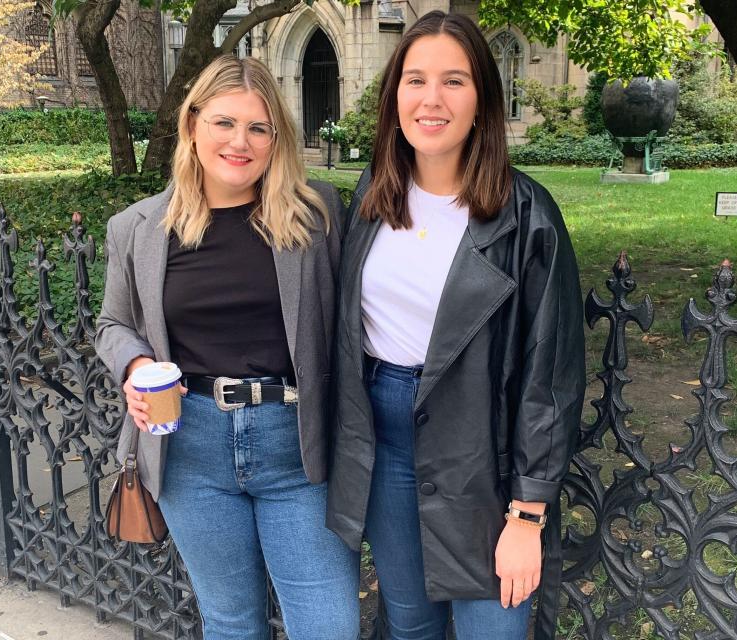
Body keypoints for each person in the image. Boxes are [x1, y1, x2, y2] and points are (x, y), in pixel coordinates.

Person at [326, 11, 585, 640]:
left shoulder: (527, 217)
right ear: (392, 99)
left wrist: (526, 515)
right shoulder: (371, 196)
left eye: (454, 81)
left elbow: (548, 375)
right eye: (414, 80)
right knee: (409, 621)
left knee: (490, 626)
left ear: (483, 101)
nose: (431, 99)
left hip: (483, 450)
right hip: (384, 437)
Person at [95, 54, 359, 640]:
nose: (240, 142)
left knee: (328, 626)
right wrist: (135, 365)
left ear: (276, 138)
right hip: (191, 447)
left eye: (258, 127)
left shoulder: (317, 216)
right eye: (224, 122)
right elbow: (112, 323)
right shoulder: (138, 228)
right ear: (192, 124)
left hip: (298, 449)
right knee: (232, 623)